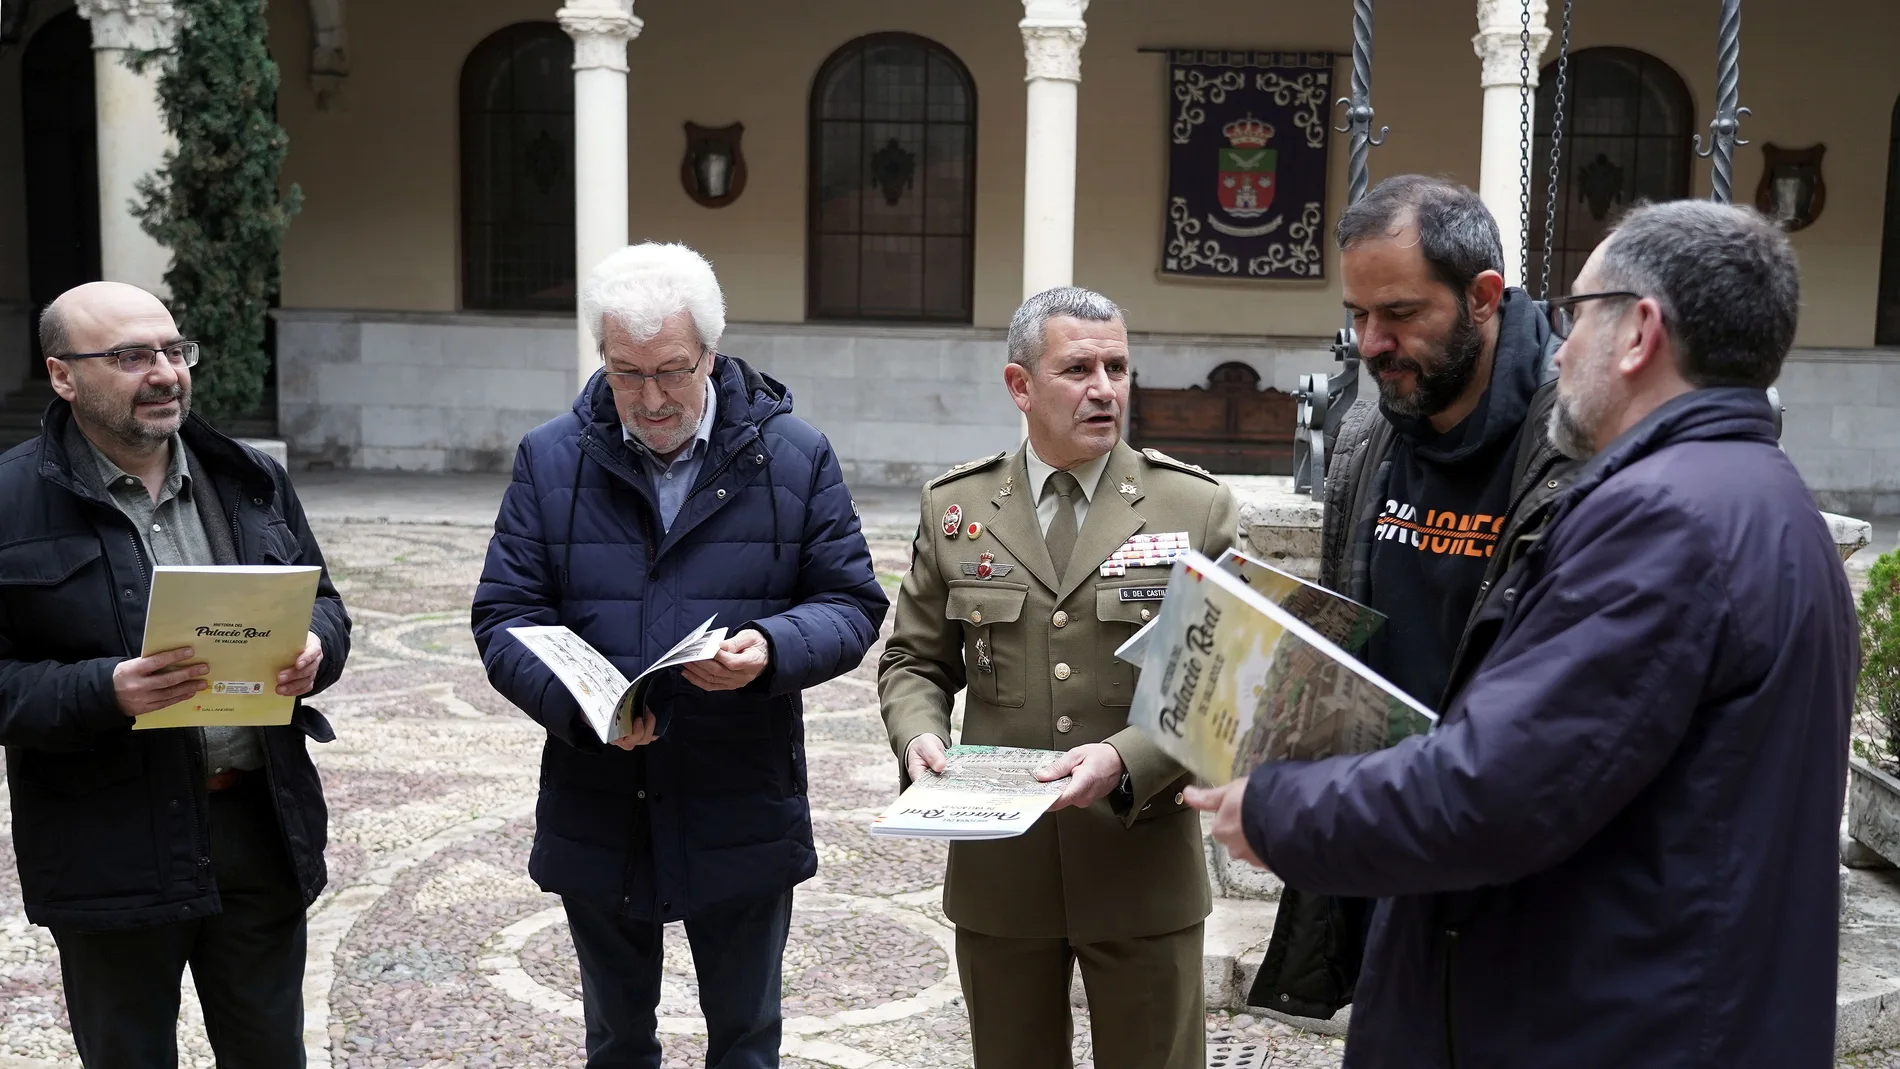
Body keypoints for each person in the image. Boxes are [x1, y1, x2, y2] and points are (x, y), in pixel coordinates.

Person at [1193, 201, 1859, 1067]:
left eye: (1576, 315)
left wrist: (1278, 809)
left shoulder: (1667, 522)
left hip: (1596, 1018)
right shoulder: (1761, 498)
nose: (1559, 344)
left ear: (1639, 332)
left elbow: (1496, 790)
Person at [470, 242, 888, 1069]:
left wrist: (769, 649)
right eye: (626, 373)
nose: (651, 398)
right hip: (601, 796)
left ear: (711, 354)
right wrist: (586, 709)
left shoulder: (794, 455)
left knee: (745, 1040)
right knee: (618, 1041)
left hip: (741, 795)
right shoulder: (551, 457)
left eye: (671, 370)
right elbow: (504, 616)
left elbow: (852, 601)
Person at [879, 287, 1240, 1069]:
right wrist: (919, 738)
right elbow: (914, 660)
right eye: (1078, 368)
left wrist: (1124, 759)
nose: (1104, 388)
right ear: (1021, 386)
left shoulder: (1195, 507)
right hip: (1003, 876)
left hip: (1140, 864)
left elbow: (1216, 685)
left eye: (1117, 366)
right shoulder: (958, 507)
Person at [1247, 174, 1579, 1018]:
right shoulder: (1367, 433)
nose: (1370, 343)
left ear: (1482, 297)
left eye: (1398, 314)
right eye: (1357, 315)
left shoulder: (1579, 448)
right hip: (1384, 841)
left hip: (1512, 868)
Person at [0, 281, 351, 1067]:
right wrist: (104, 689)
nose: (163, 372)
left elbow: (324, 601)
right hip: (108, 841)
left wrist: (316, 648)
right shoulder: (9, 501)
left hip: (257, 825)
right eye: (129, 356)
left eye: (172, 350)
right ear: (63, 375)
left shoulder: (249, 478)